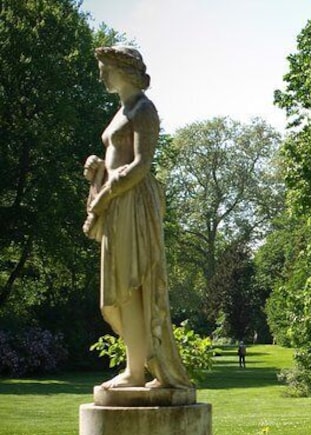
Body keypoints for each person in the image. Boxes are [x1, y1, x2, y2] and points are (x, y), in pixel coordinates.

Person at [84, 45, 192, 390]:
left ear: (122, 70)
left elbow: (141, 165)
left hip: (131, 203)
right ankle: (134, 368)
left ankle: (139, 370)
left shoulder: (144, 110)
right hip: (116, 202)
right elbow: (118, 157)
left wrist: (108, 191)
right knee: (119, 288)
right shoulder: (122, 110)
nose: (102, 75)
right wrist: (97, 170)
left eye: (106, 68)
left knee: (132, 286)